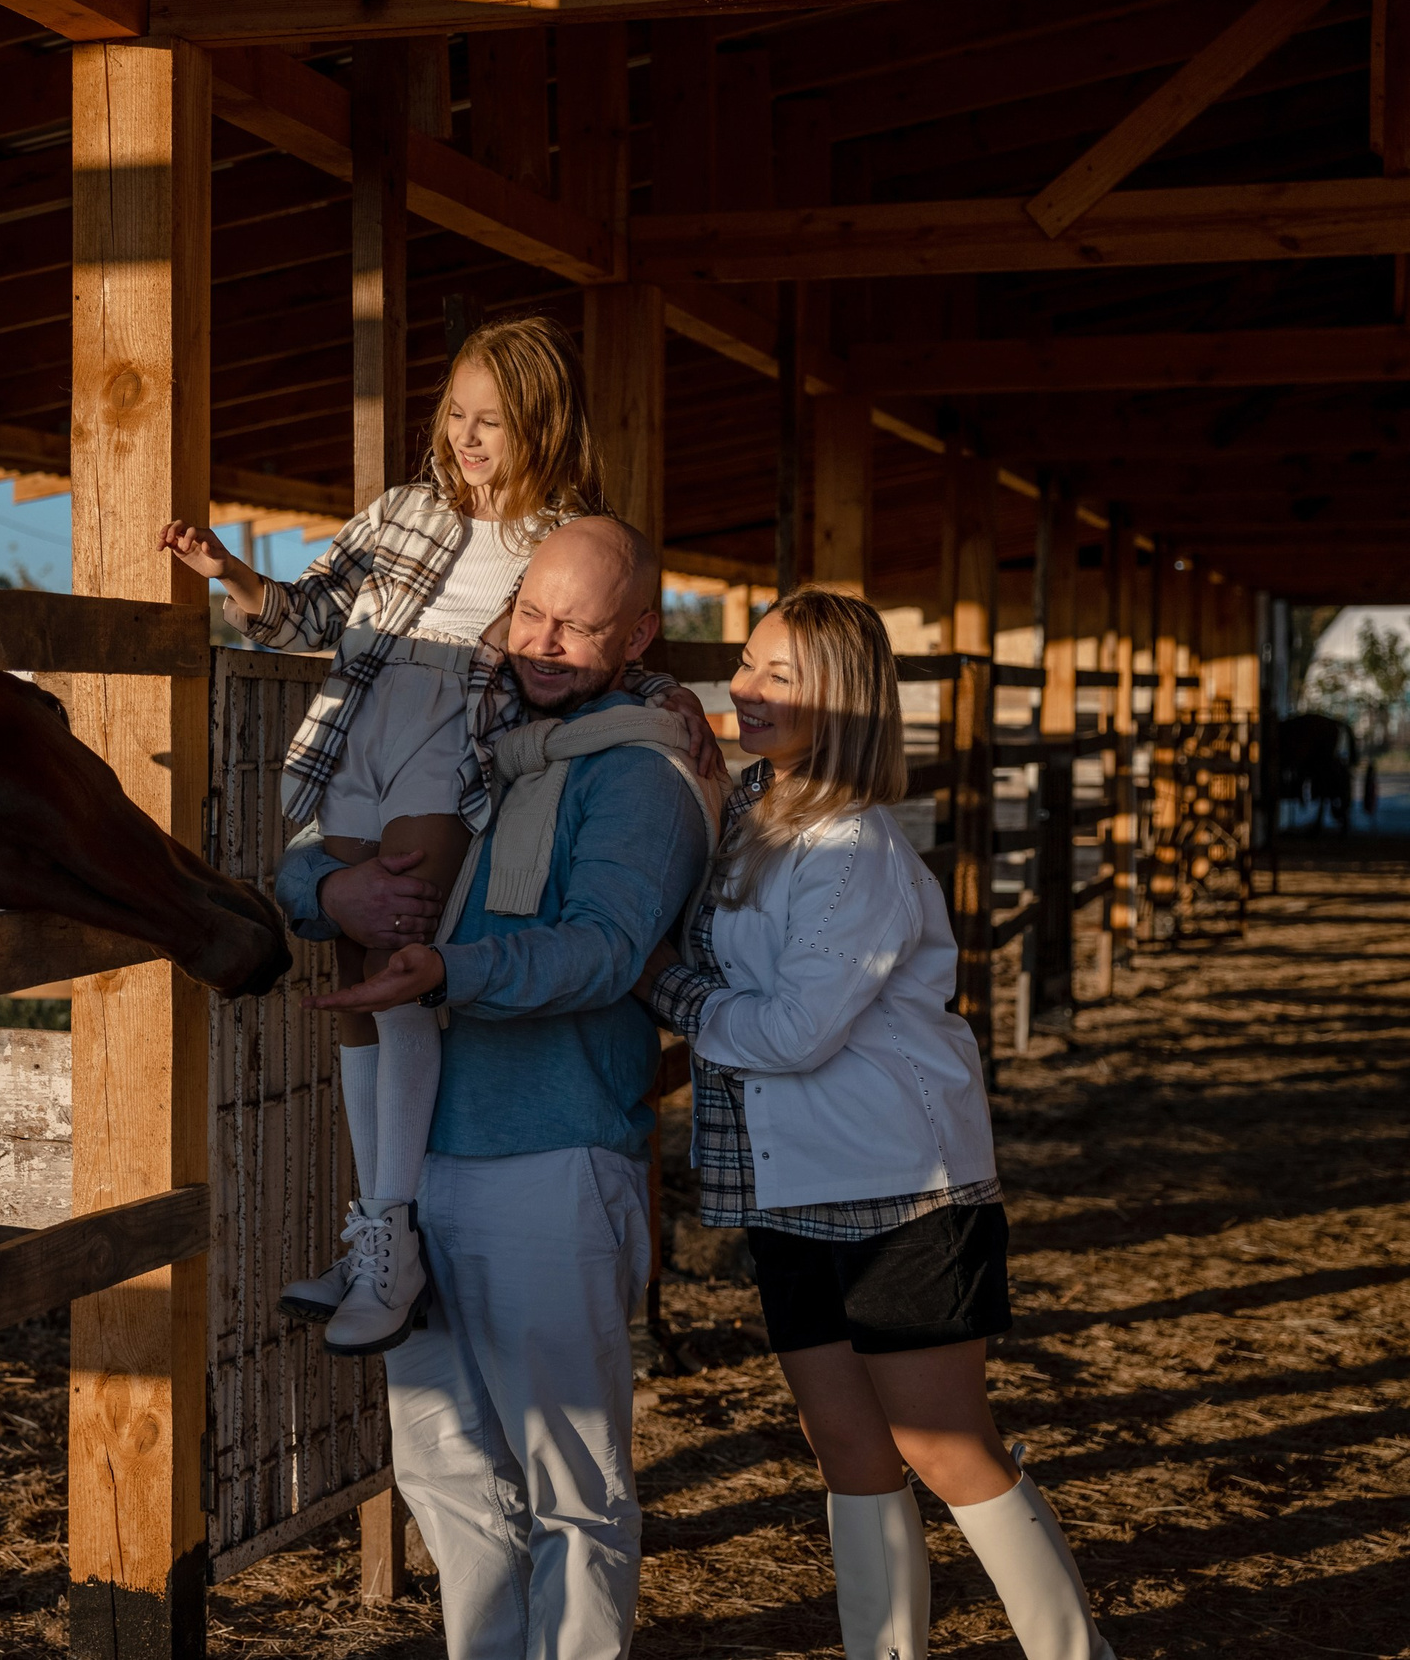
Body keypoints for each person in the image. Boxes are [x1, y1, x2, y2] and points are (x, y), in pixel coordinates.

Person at [160, 316, 705, 1355]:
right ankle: (382, 1226)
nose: (466, 437)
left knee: (399, 942)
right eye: (455, 414)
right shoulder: (400, 513)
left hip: (457, 744)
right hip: (359, 730)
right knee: (359, 960)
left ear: (541, 426)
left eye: (490, 422)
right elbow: (311, 611)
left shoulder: (564, 536)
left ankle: (389, 1227)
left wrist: (673, 698)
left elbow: (603, 645)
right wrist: (230, 575)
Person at [634, 587, 1117, 1660]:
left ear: (843, 702)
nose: (746, 691)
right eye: (747, 666)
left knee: (945, 1447)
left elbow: (797, 1030)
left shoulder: (850, 849)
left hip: (897, 1185)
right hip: (787, 1185)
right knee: (845, 1446)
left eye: (779, 677)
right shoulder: (750, 812)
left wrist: (665, 989)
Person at [293, 516, 718, 1660]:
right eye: (531, 610)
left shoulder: (641, 777)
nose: (544, 640)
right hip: (419, 1169)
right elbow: (302, 850)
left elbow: (604, 949)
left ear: (638, 635)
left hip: (552, 1156)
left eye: (578, 626)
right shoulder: (479, 742)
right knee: (439, 1464)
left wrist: (451, 968)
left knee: (569, 1480)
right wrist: (328, 895)